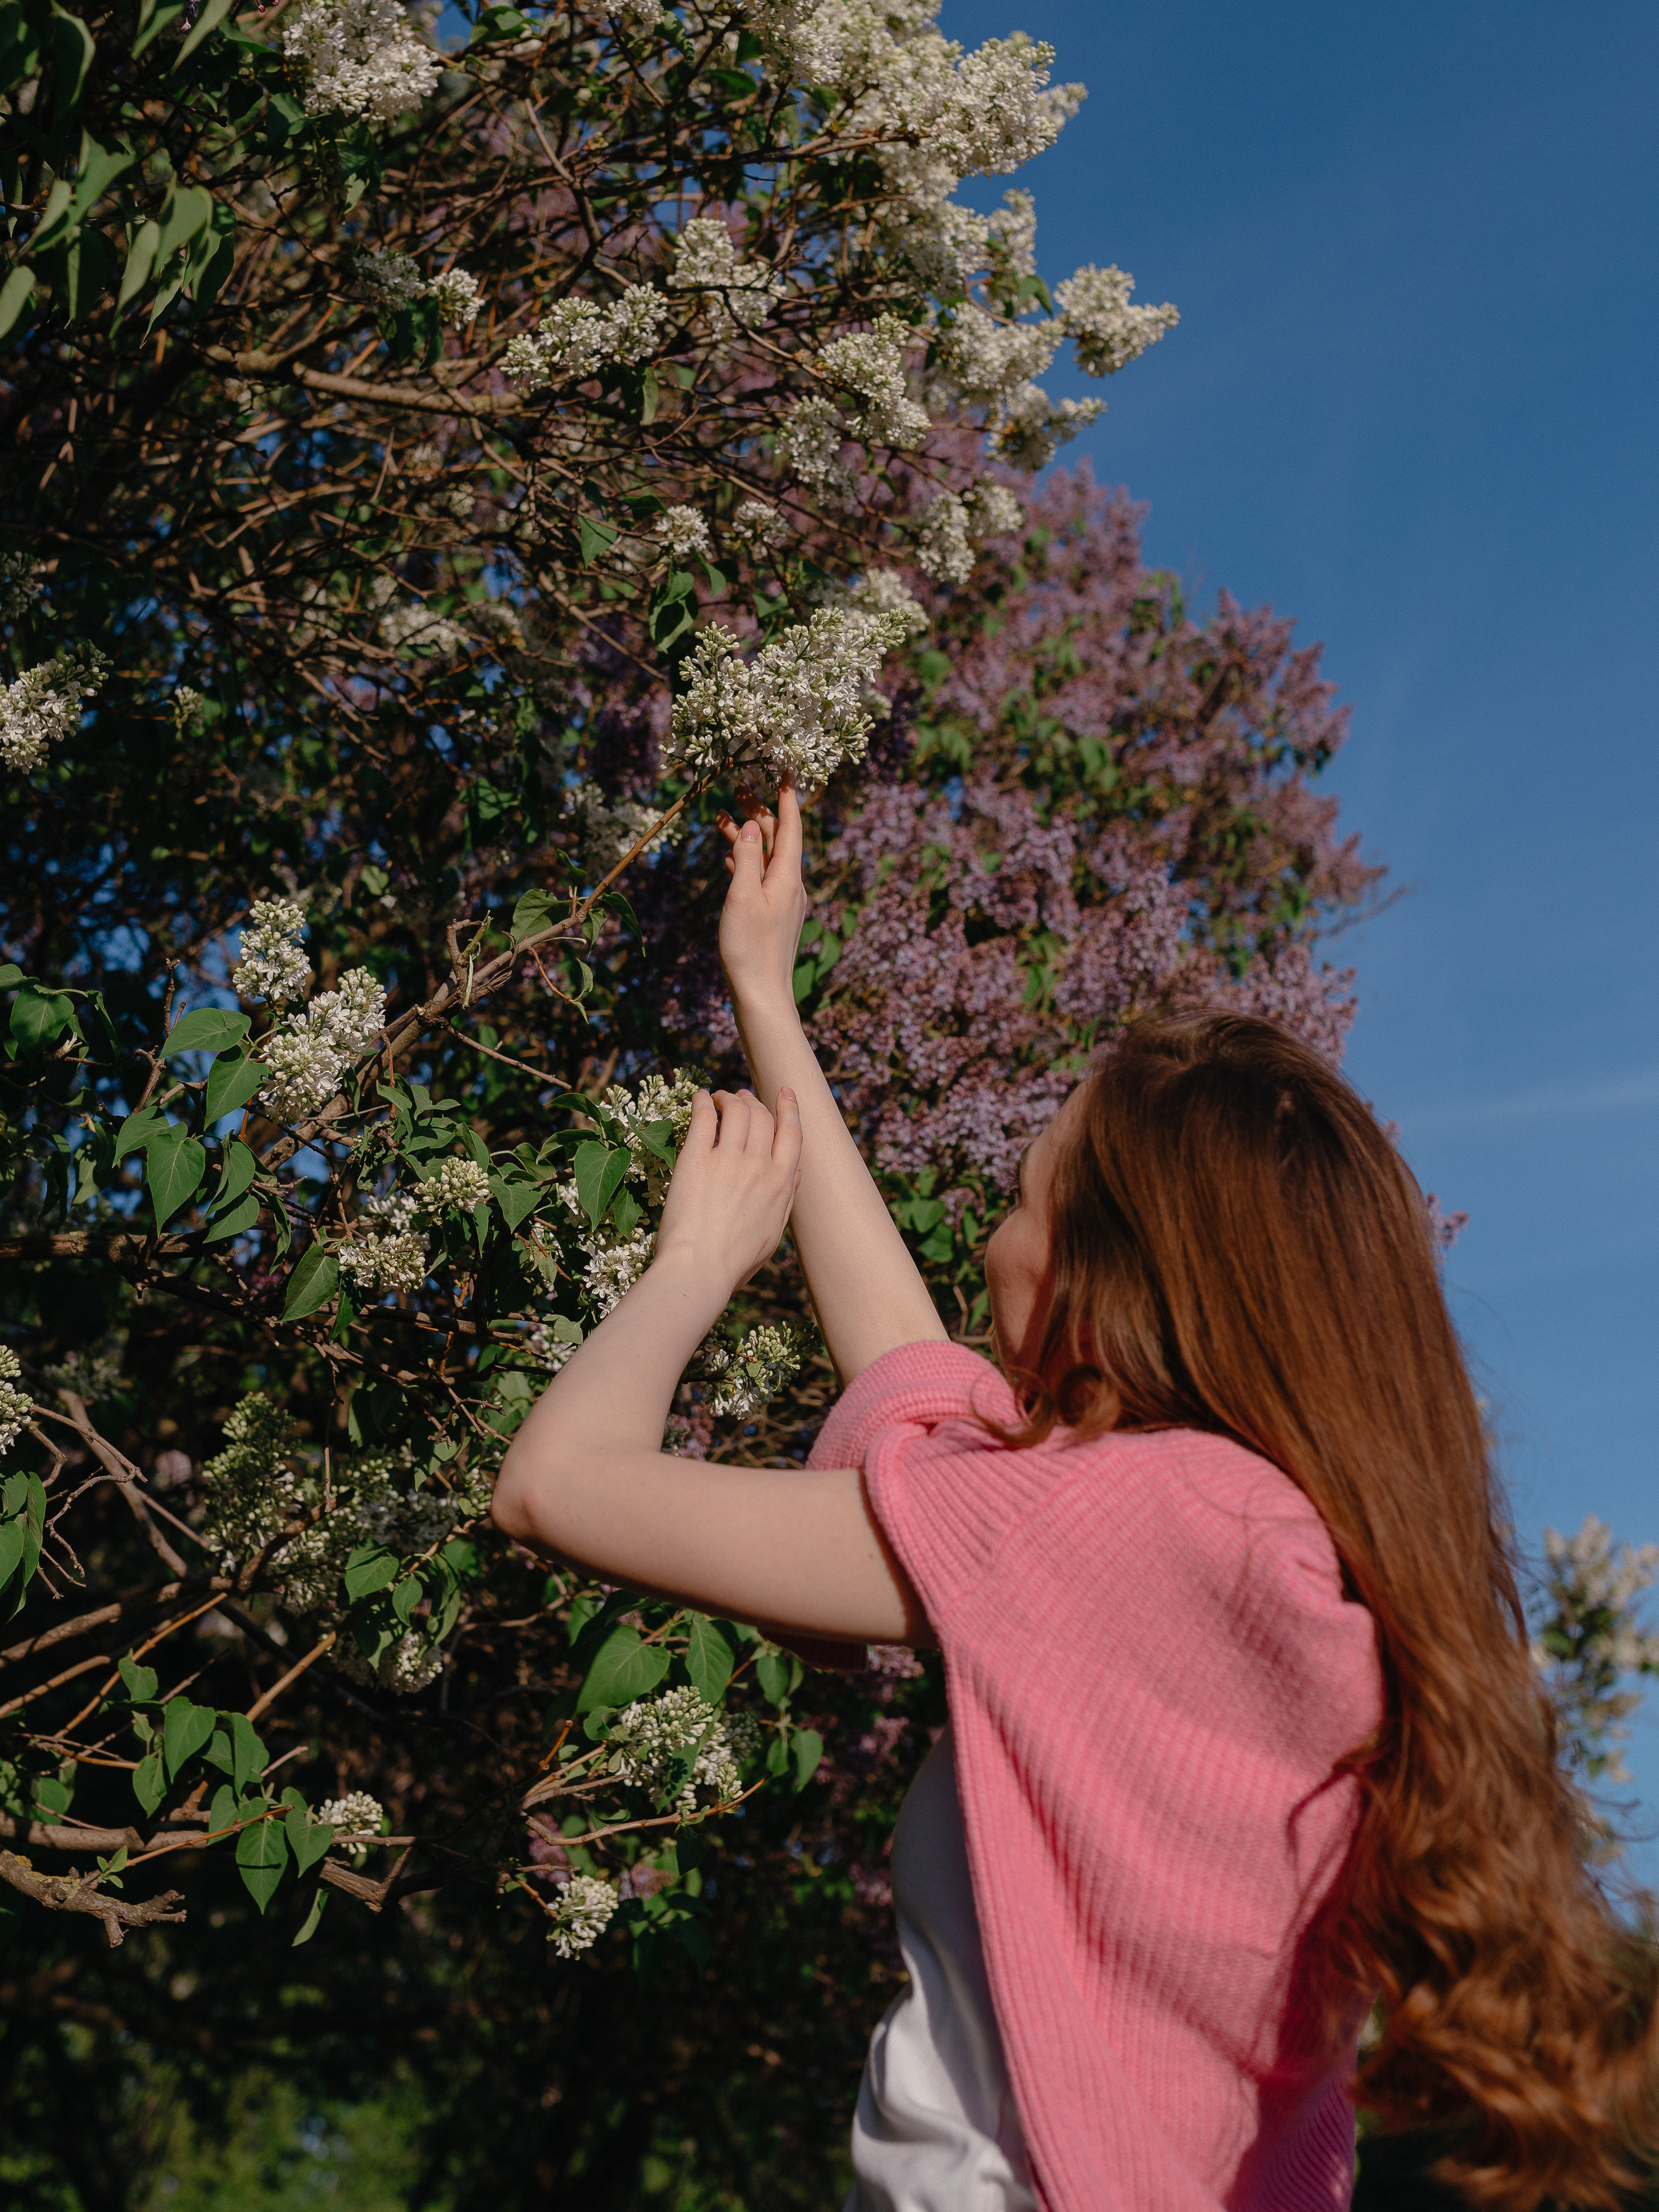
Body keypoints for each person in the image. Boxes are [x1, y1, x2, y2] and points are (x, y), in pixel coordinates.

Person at [492, 786, 1658, 2212]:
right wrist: (763, 991)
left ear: (1099, 1276)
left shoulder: (1105, 1528)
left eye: (1022, 1190)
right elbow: (919, 1382)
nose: (990, 1227)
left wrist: (689, 1262)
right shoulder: (1245, 1532)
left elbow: (560, 1484)